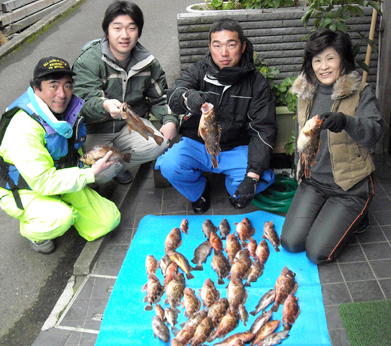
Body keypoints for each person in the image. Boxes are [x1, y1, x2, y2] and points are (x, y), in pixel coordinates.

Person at [280, 29, 387, 265]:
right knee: (291, 242)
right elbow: (302, 138)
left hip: (349, 187)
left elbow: (375, 133)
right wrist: (299, 169)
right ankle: (327, 212)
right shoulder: (306, 93)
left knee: (317, 252)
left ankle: (359, 215)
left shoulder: (361, 93)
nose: (323, 66)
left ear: (343, 60)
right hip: (313, 182)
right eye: (317, 60)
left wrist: (347, 122)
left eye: (330, 58)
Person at [0, 56, 121, 254]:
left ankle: (62, 206)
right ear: (36, 89)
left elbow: (72, 150)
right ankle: (34, 232)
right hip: (24, 188)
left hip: (58, 177)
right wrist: (89, 175)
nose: (62, 94)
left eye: (67, 85)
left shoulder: (67, 112)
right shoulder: (24, 127)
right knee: (59, 218)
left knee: (109, 221)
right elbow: (42, 181)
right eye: (53, 86)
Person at [155, 19, 277, 214]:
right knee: (169, 166)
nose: (224, 53)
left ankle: (233, 189)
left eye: (231, 44)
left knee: (258, 180)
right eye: (217, 45)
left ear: (243, 46)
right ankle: (199, 191)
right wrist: (188, 98)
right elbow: (175, 93)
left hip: (235, 147)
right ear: (209, 47)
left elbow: (263, 129)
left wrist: (252, 175)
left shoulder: (257, 83)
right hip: (198, 144)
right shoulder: (198, 70)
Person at [72, 1, 178, 184]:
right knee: (96, 172)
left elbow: (159, 98)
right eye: (117, 28)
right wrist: (105, 105)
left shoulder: (148, 62)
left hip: (129, 126)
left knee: (159, 144)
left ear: (139, 32)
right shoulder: (89, 60)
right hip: (94, 129)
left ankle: (116, 165)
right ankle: (109, 170)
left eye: (131, 28)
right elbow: (83, 102)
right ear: (106, 32)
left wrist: (170, 120)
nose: (124, 35)